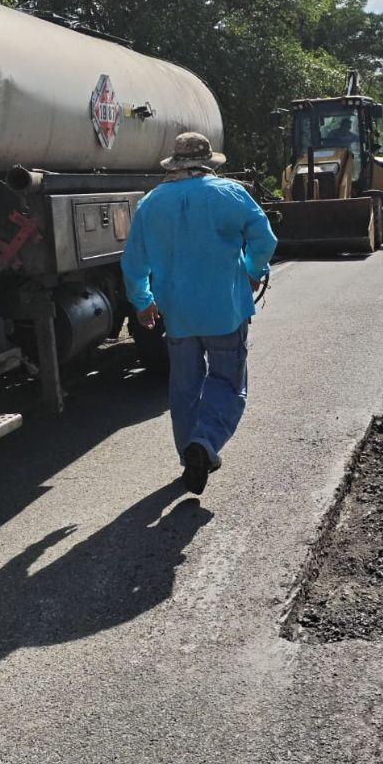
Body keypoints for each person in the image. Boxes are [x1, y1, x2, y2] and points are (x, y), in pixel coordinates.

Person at [121, 132, 278, 495]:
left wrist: (143, 302)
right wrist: (253, 271)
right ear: (208, 162)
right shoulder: (230, 193)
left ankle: (189, 456)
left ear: (174, 164)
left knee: (184, 387)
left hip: (178, 316)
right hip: (225, 311)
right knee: (227, 383)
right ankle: (204, 444)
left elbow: (133, 263)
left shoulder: (151, 203)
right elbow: (265, 240)